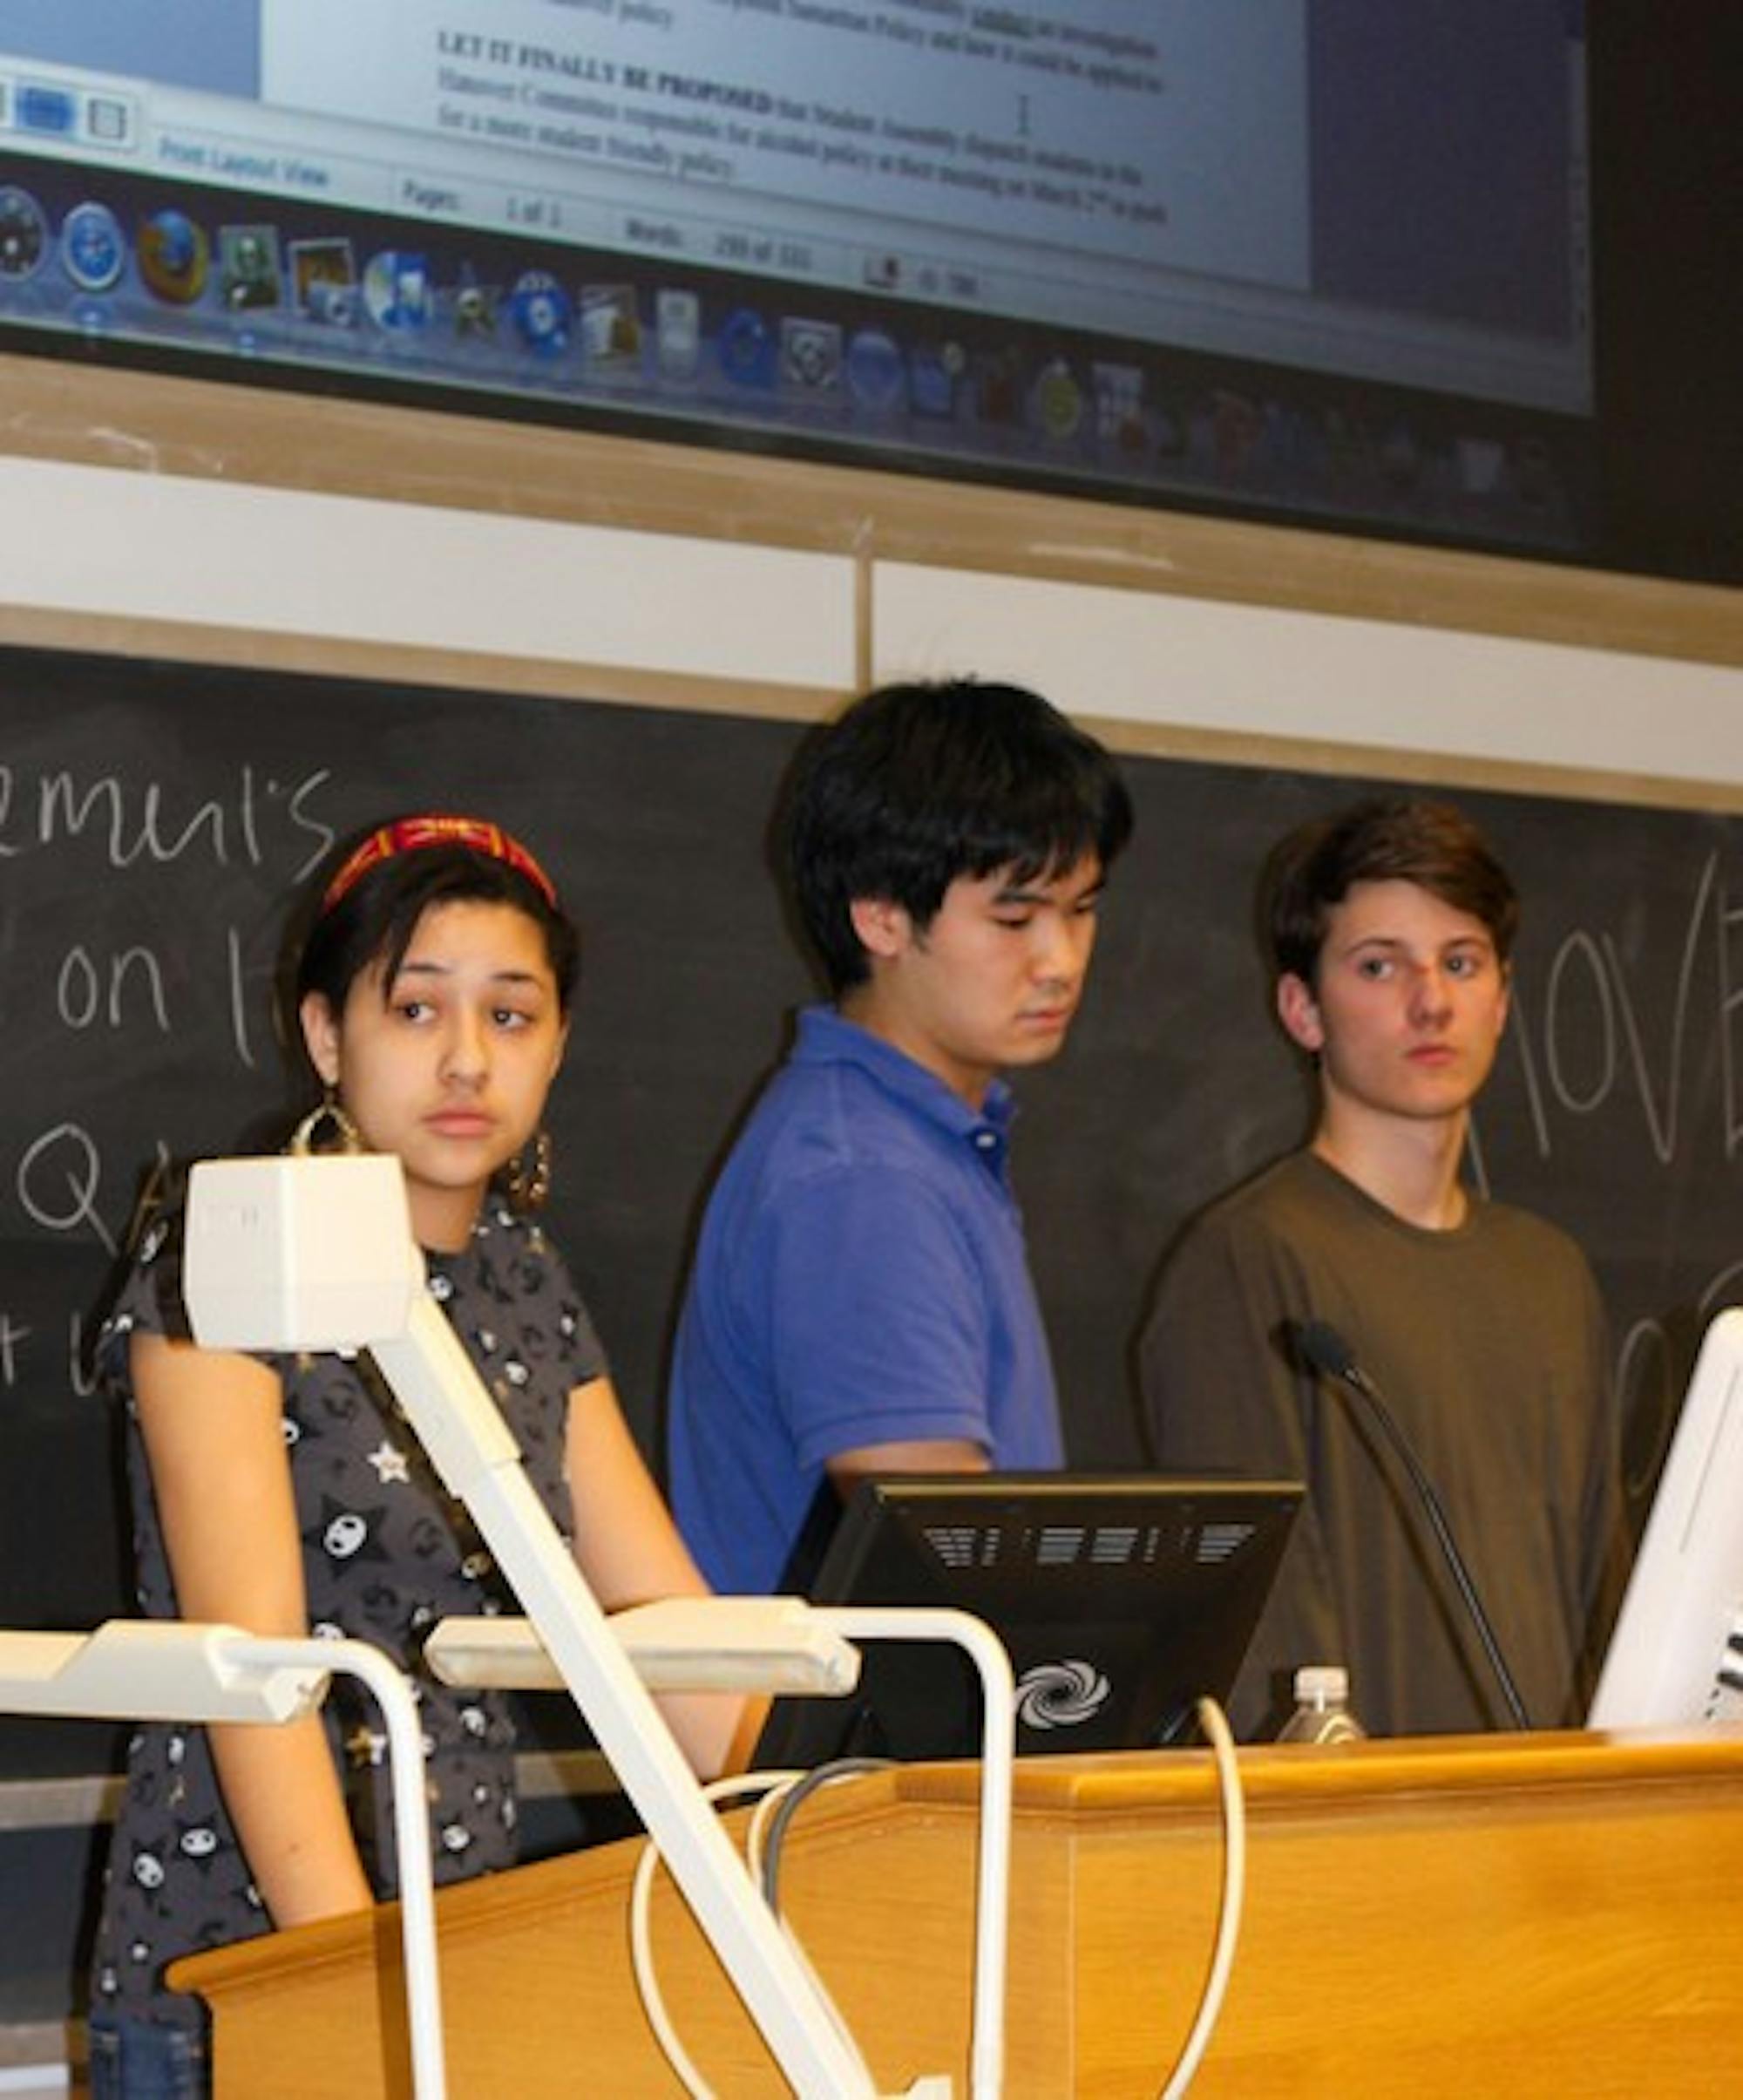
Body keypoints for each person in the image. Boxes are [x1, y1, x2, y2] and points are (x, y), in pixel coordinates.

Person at [87, 813, 741, 2097]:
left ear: (558, 1045)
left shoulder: (524, 1281)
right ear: (328, 1034)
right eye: (416, 1009)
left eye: (510, 1016)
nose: (464, 1060)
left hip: (457, 1965)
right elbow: (259, 1669)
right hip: (253, 1983)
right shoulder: (227, 1256)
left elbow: (674, 1636)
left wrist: (860, 1785)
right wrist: (361, 2001)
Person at [1140, 795, 1624, 1740]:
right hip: (1365, 1833)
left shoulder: (1547, 1272)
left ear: (1501, 996)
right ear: (1300, 1008)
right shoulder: (1249, 1262)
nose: (1429, 1000)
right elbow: (1257, 1628)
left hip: (1552, 1825)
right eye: (1377, 966)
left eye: (1459, 961)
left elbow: (1599, 1591)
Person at [667, 678, 1134, 1595]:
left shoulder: (909, 1142)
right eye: (1013, 917)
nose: (1061, 961)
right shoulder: (862, 1180)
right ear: (879, 914)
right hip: (872, 1743)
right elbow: (947, 1557)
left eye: (1080, 909)